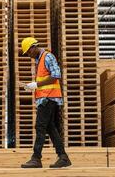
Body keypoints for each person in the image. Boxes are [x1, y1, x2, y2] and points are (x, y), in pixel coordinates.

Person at [20, 37, 72, 168]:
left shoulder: (47, 56)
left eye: (28, 53)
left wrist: (36, 84)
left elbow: (56, 75)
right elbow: (45, 80)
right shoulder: (39, 60)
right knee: (50, 128)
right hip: (46, 98)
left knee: (40, 126)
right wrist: (32, 86)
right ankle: (63, 157)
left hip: (49, 98)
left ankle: (36, 158)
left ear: (33, 47)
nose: (29, 56)